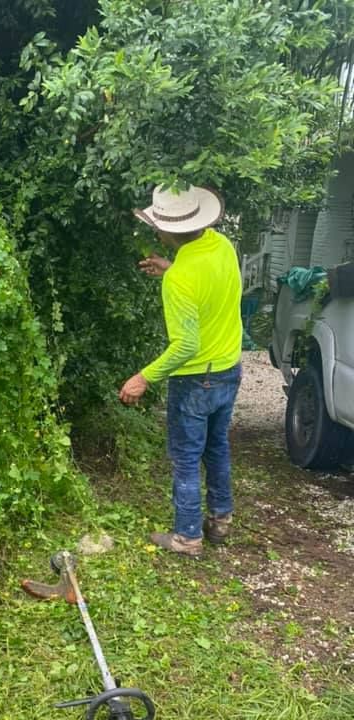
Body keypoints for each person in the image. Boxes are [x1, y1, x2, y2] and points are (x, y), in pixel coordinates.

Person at [119, 184, 242, 557]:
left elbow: (185, 345)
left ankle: (187, 537)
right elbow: (212, 284)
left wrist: (143, 377)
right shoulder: (221, 245)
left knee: (186, 457)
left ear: (164, 230)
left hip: (196, 381)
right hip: (229, 369)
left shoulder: (180, 280)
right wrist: (174, 267)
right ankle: (221, 519)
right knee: (217, 446)